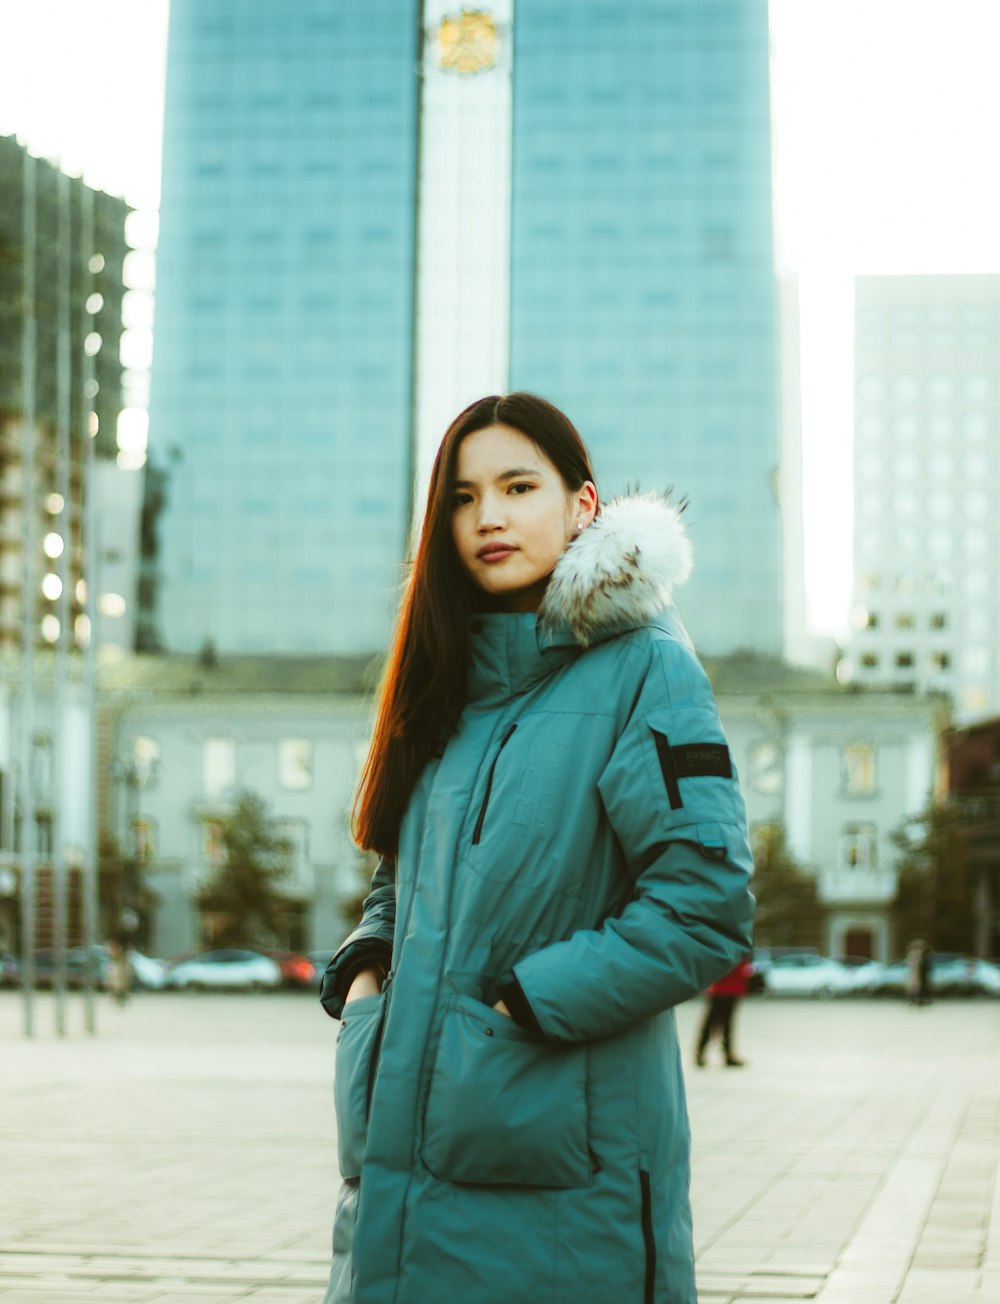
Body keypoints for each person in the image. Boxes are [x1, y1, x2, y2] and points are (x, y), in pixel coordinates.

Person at [319, 393, 755, 1304]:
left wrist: (526, 1001)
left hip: (557, 1162)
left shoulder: (647, 668)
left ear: (584, 505)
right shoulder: (445, 684)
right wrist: (367, 975)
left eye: (519, 486)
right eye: (464, 497)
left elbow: (704, 906)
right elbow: (401, 883)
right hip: (400, 1150)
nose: (490, 517)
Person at [694, 956, 753, 1067]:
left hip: (727, 988)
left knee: (720, 1023)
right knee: (717, 1022)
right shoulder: (736, 947)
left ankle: (703, 1053)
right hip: (722, 989)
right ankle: (709, 1053)